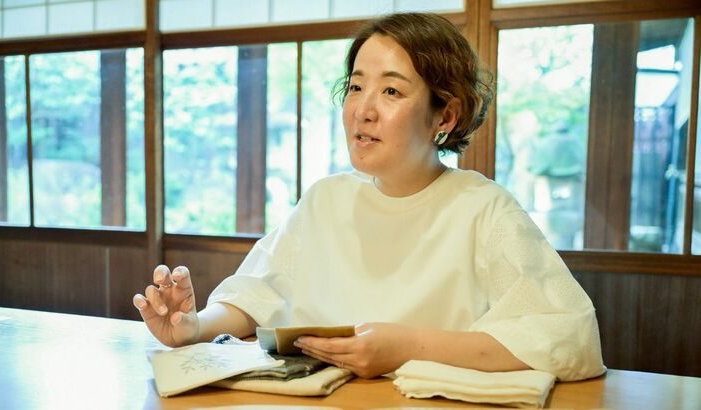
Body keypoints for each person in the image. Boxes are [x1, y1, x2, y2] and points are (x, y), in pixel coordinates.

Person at [133, 13, 605, 382]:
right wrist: (193, 328)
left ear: (445, 117)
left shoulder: (484, 209)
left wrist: (407, 348)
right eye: (356, 86)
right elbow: (257, 295)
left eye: (392, 90)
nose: (363, 109)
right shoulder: (325, 200)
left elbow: (567, 337)